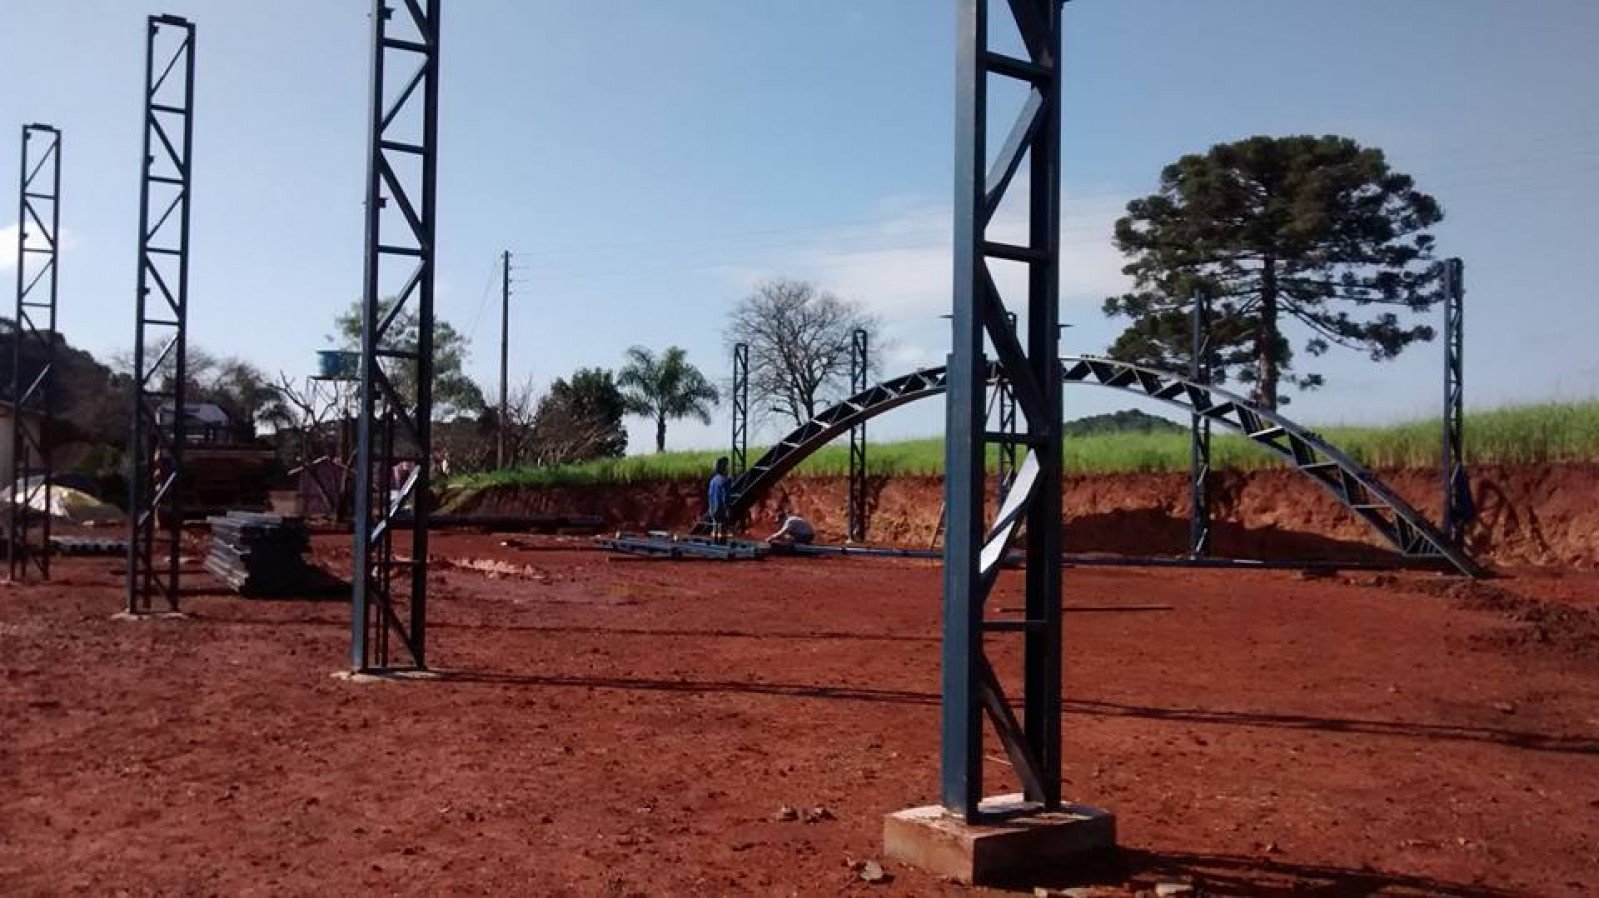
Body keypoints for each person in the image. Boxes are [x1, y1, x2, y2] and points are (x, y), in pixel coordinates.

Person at [707, 456, 732, 542]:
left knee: (715, 526)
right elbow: (725, 497)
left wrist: (710, 507)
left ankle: (714, 542)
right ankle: (721, 543)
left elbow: (710, 495)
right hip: (721, 508)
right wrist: (727, 509)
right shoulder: (725, 481)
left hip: (713, 507)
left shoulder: (713, 481)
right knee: (721, 527)